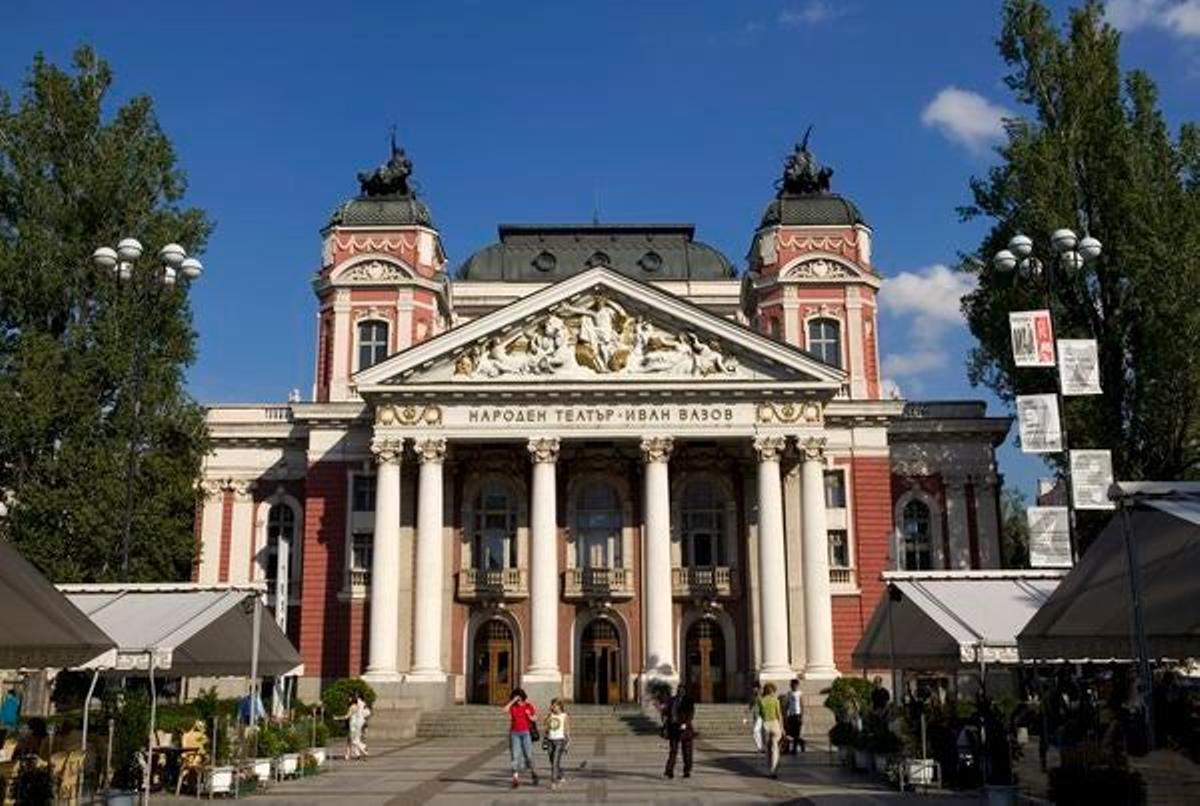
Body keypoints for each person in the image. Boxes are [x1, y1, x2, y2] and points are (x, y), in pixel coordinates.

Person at [504, 688, 539, 789]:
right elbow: (505, 709)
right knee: (515, 756)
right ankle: (515, 779)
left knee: (529, 756)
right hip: (515, 734)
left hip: (526, 734)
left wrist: (529, 715)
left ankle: (534, 773)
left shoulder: (528, 706)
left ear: (523, 698)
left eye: (520, 699)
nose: (519, 701)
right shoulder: (513, 707)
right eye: (517, 699)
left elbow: (535, 718)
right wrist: (513, 701)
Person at [662, 683, 696, 779]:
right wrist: (662, 710)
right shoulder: (672, 700)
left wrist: (685, 723)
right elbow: (666, 712)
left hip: (685, 729)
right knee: (673, 751)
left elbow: (691, 713)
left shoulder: (689, 700)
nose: (680, 690)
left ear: (685, 690)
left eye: (682, 689)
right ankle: (669, 770)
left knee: (687, 752)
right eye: (678, 689)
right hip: (673, 729)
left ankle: (687, 770)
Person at [758, 683, 785, 778]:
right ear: (773, 691)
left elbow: (760, 714)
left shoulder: (761, 701)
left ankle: (769, 770)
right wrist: (782, 728)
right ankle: (774, 770)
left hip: (765, 724)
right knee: (775, 748)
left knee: (768, 749)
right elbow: (779, 715)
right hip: (775, 724)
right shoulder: (775, 700)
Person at [544, 698, 570, 789]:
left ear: (559, 706)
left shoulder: (564, 716)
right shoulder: (550, 715)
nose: (553, 707)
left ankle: (554, 782)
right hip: (550, 740)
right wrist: (548, 716)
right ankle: (561, 775)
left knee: (555, 762)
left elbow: (567, 729)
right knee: (552, 761)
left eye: (555, 705)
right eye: (552, 705)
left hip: (560, 741)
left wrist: (568, 742)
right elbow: (546, 726)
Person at [339, 693, 370, 760]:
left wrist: (338, 718)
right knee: (355, 739)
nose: (348, 699)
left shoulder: (358, 704)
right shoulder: (361, 703)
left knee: (353, 740)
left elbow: (348, 715)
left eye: (350, 697)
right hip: (358, 723)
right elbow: (367, 713)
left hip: (355, 724)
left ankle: (363, 749)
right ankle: (357, 754)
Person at [784, 679, 806, 754]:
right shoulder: (789, 693)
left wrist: (802, 716)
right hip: (791, 714)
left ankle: (794, 749)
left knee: (796, 733)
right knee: (789, 733)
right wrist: (785, 714)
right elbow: (787, 704)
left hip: (797, 714)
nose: (793, 686)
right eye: (792, 685)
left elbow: (802, 705)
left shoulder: (800, 693)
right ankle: (801, 742)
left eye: (794, 685)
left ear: (797, 685)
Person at [746, 683, 765, 753]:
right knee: (757, 732)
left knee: (755, 731)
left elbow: (763, 705)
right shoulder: (753, 696)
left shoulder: (761, 696)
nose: (753, 689)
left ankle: (761, 747)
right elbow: (751, 705)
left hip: (760, 716)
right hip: (755, 715)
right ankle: (760, 748)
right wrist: (748, 711)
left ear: (758, 688)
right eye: (753, 688)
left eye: (755, 688)